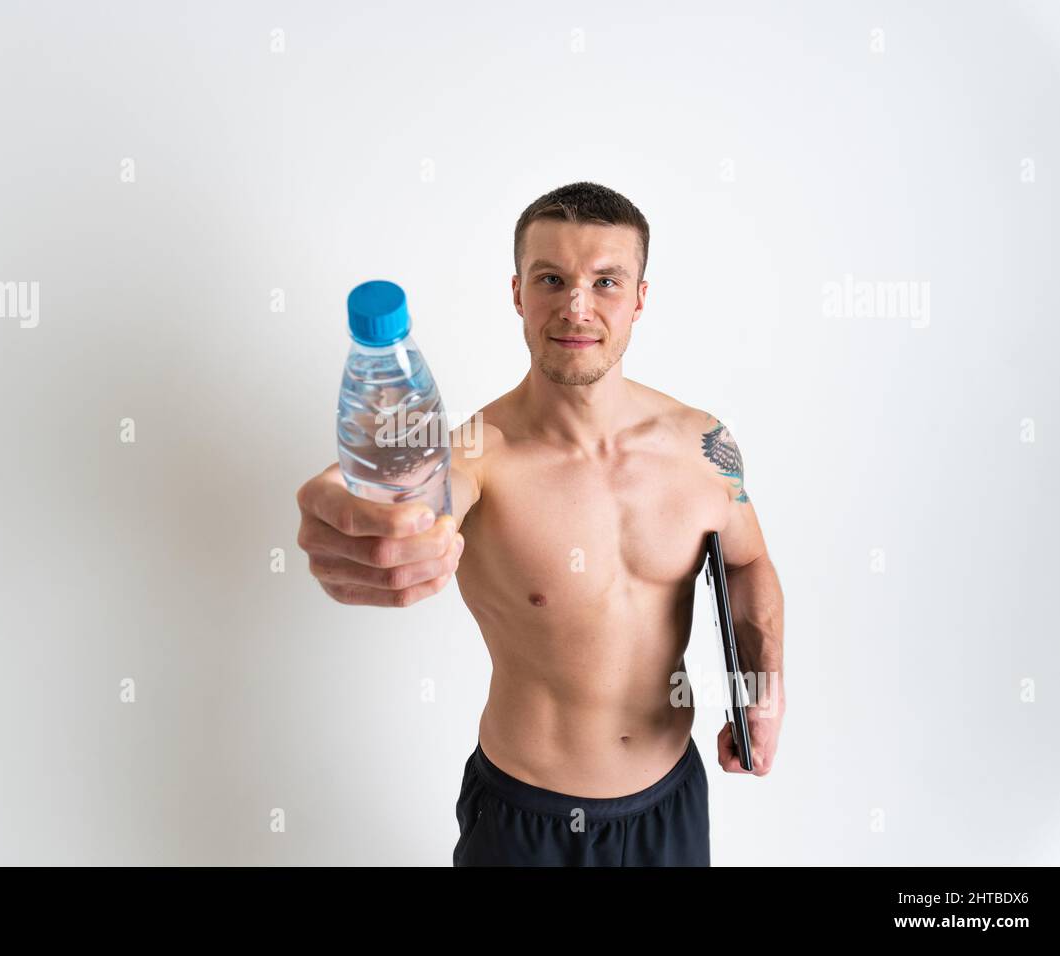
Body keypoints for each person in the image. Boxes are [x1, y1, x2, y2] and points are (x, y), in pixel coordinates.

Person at [295, 182, 785, 866]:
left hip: (669, 804)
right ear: (518, 294)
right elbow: (415, 497)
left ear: (640, 296)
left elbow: (746, 562)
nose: (576, 306)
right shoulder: (475, 455)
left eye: (605, 281)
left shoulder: (703, 447)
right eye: (551, 278)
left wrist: (759, 687)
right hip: (524, 823)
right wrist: (364, 516)